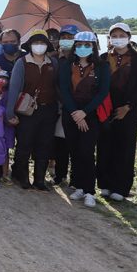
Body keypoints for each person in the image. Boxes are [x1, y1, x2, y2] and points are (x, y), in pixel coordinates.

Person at [59, 31, 110, 208]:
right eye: (79, 44)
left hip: (91, 114)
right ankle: (79, 186)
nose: (82, 48)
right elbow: (64, 90)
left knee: (87, 152)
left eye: (87, 45)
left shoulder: (102, 66)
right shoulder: (67, 65)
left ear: (93, 47)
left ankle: (90, 191)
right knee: (74, 151)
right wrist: (75, 113)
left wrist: (84, 113)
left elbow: (103, 92)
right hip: (70, 113)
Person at [98, 23, 137, 202]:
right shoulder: (104, 58)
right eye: (114, 36)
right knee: (105, 145)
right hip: (106, 108)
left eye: (121, 35)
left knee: (125, 147)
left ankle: (121, 187)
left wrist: (128, 106)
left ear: (129, 37)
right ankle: (104, 184)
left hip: (128, 109)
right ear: (109, 38)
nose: (118, 39)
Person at [6, 30, 59, 190]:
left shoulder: (53, 63)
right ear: (29, 46)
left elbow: (57, 87)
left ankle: (39, 179)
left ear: (47, 46)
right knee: (24, 143)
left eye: (42, 43)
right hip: (27, 111)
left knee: (44, 144)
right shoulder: (22, 63)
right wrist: (10, 112)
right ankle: (21, 175)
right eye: (36, 43)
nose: (39, 46)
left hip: (48, 109)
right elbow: (14, 88)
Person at [51, 24, 79, 186]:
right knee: (60, 141)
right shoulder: (54, 58)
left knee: (75, 143)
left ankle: (76, 178)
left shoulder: (81, 59)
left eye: (70, 37)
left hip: (77, 106)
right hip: (58, 105)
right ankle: (60, 175)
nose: (67, 40)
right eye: (64, 37)